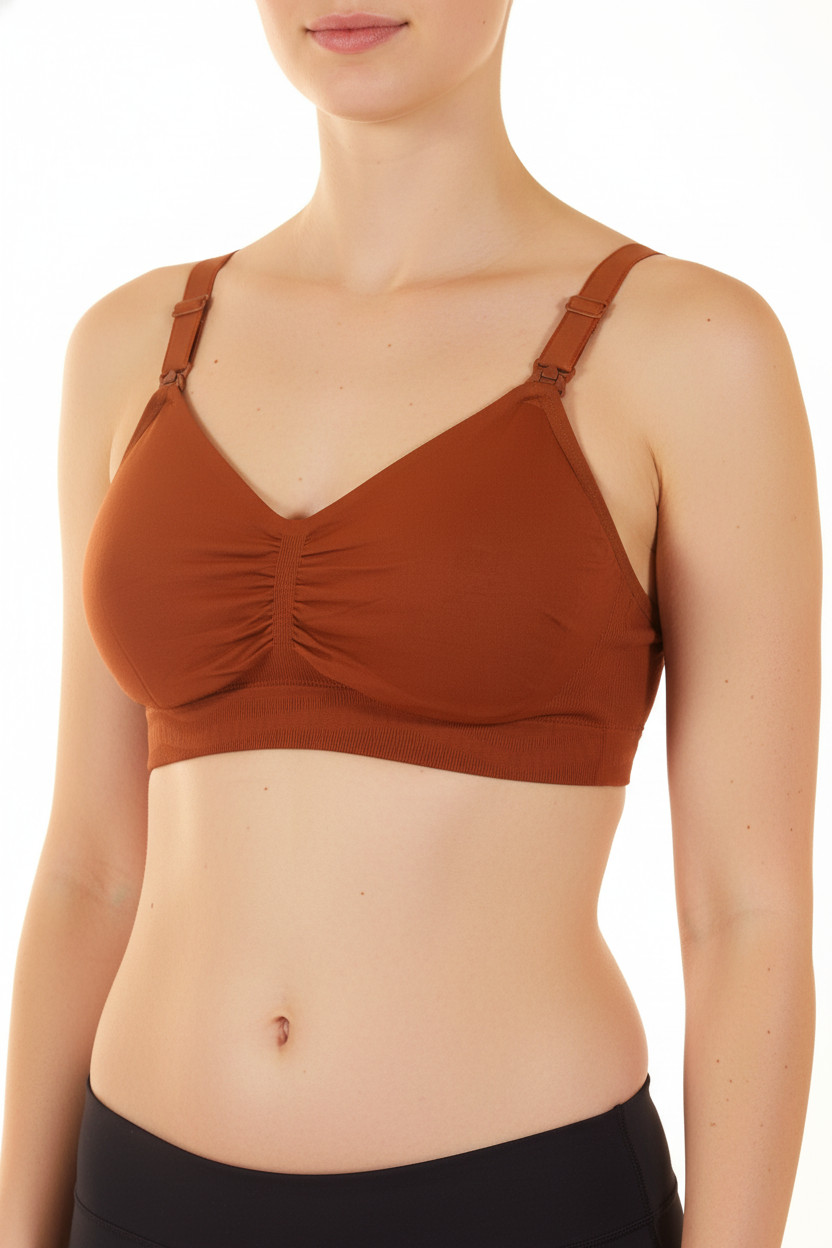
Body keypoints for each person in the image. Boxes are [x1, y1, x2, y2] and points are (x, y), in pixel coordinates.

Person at [0, 2, 820, 1245]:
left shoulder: (691, 348)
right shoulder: (128, 347)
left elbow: (742, 914)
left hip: (516, 1200)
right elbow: (89, 868)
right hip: (138, 1192)